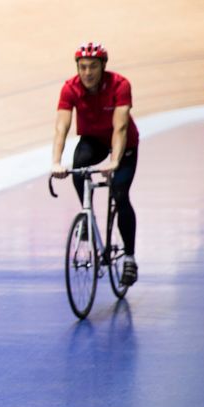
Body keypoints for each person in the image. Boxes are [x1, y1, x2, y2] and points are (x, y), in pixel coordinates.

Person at [51, 42, 139, 286]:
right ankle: (87, 217)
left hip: (124, 144)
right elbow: (61, 127)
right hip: (94, 141)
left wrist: (115, 161)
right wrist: (56, 162)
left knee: (120, 195)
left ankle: (130, 259)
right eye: (82, 67)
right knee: (78, 167)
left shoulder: (120, 85)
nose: (87, 72)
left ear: (103, 66)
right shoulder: (70, 88)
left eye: (93, 67)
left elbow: (120, 127)